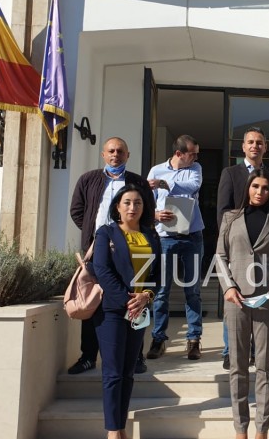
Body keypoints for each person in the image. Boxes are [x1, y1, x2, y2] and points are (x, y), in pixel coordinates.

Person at [69, 137, 155, 375]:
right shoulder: (88, 179)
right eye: (111, 151)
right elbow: (77, 210)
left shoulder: (138, 182)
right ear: (103, 155)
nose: (115, 155)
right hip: (97, 251)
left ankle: (136, 356)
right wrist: (97, 236)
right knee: (93, 301)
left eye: (120, 151)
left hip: (130, 250)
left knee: (135, 298)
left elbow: (148, 213)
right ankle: (88, 356)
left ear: (127, 155)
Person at [215, 169, 269, 439]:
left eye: (265, 188)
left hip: (267, 299)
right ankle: (240, 429)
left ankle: (262, 430)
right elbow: (220, 256)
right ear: (248, 188)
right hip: (236, 299)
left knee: (265, 367)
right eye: (255, 186)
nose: (260, 192)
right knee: (238, 367)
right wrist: (229, 287)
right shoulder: (230, 218)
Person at [91, 183, 162, 439]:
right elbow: (102, 270)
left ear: (145, 207)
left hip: (139, 311)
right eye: (127, 202)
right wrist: (127, 300)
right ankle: (113, 432)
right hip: (112, 311)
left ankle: (121, 427)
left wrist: (146, 297)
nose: (133, 207)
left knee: (127, 372)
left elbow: (157, 274)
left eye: (138, 203)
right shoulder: (106, 233)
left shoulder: (151, 235)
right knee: (112, 373)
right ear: (118, 207)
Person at [217, 126, 269, 370]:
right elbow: (223, 210)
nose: (255, 146)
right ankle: (231, 352)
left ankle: (261, 354)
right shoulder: (230, 173)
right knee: (235, 302)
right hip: (238, 247)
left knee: (263, 306)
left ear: (265, 147)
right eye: (251, 142)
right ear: (243, 146)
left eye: (259, 142)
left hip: (264, 246)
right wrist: (229, 243)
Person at [146, 135, 205, 361]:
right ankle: (158, 339)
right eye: (192, 153)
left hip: (192, 236)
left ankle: (194, 339)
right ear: (179, 153)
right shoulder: (156, 170)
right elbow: (147, 201)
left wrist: (166, 184)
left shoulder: (195, 168)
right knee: (162, 291)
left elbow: (193, 187)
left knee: (193, 290)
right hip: (165, 237)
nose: (196, 157)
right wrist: (155, 215)